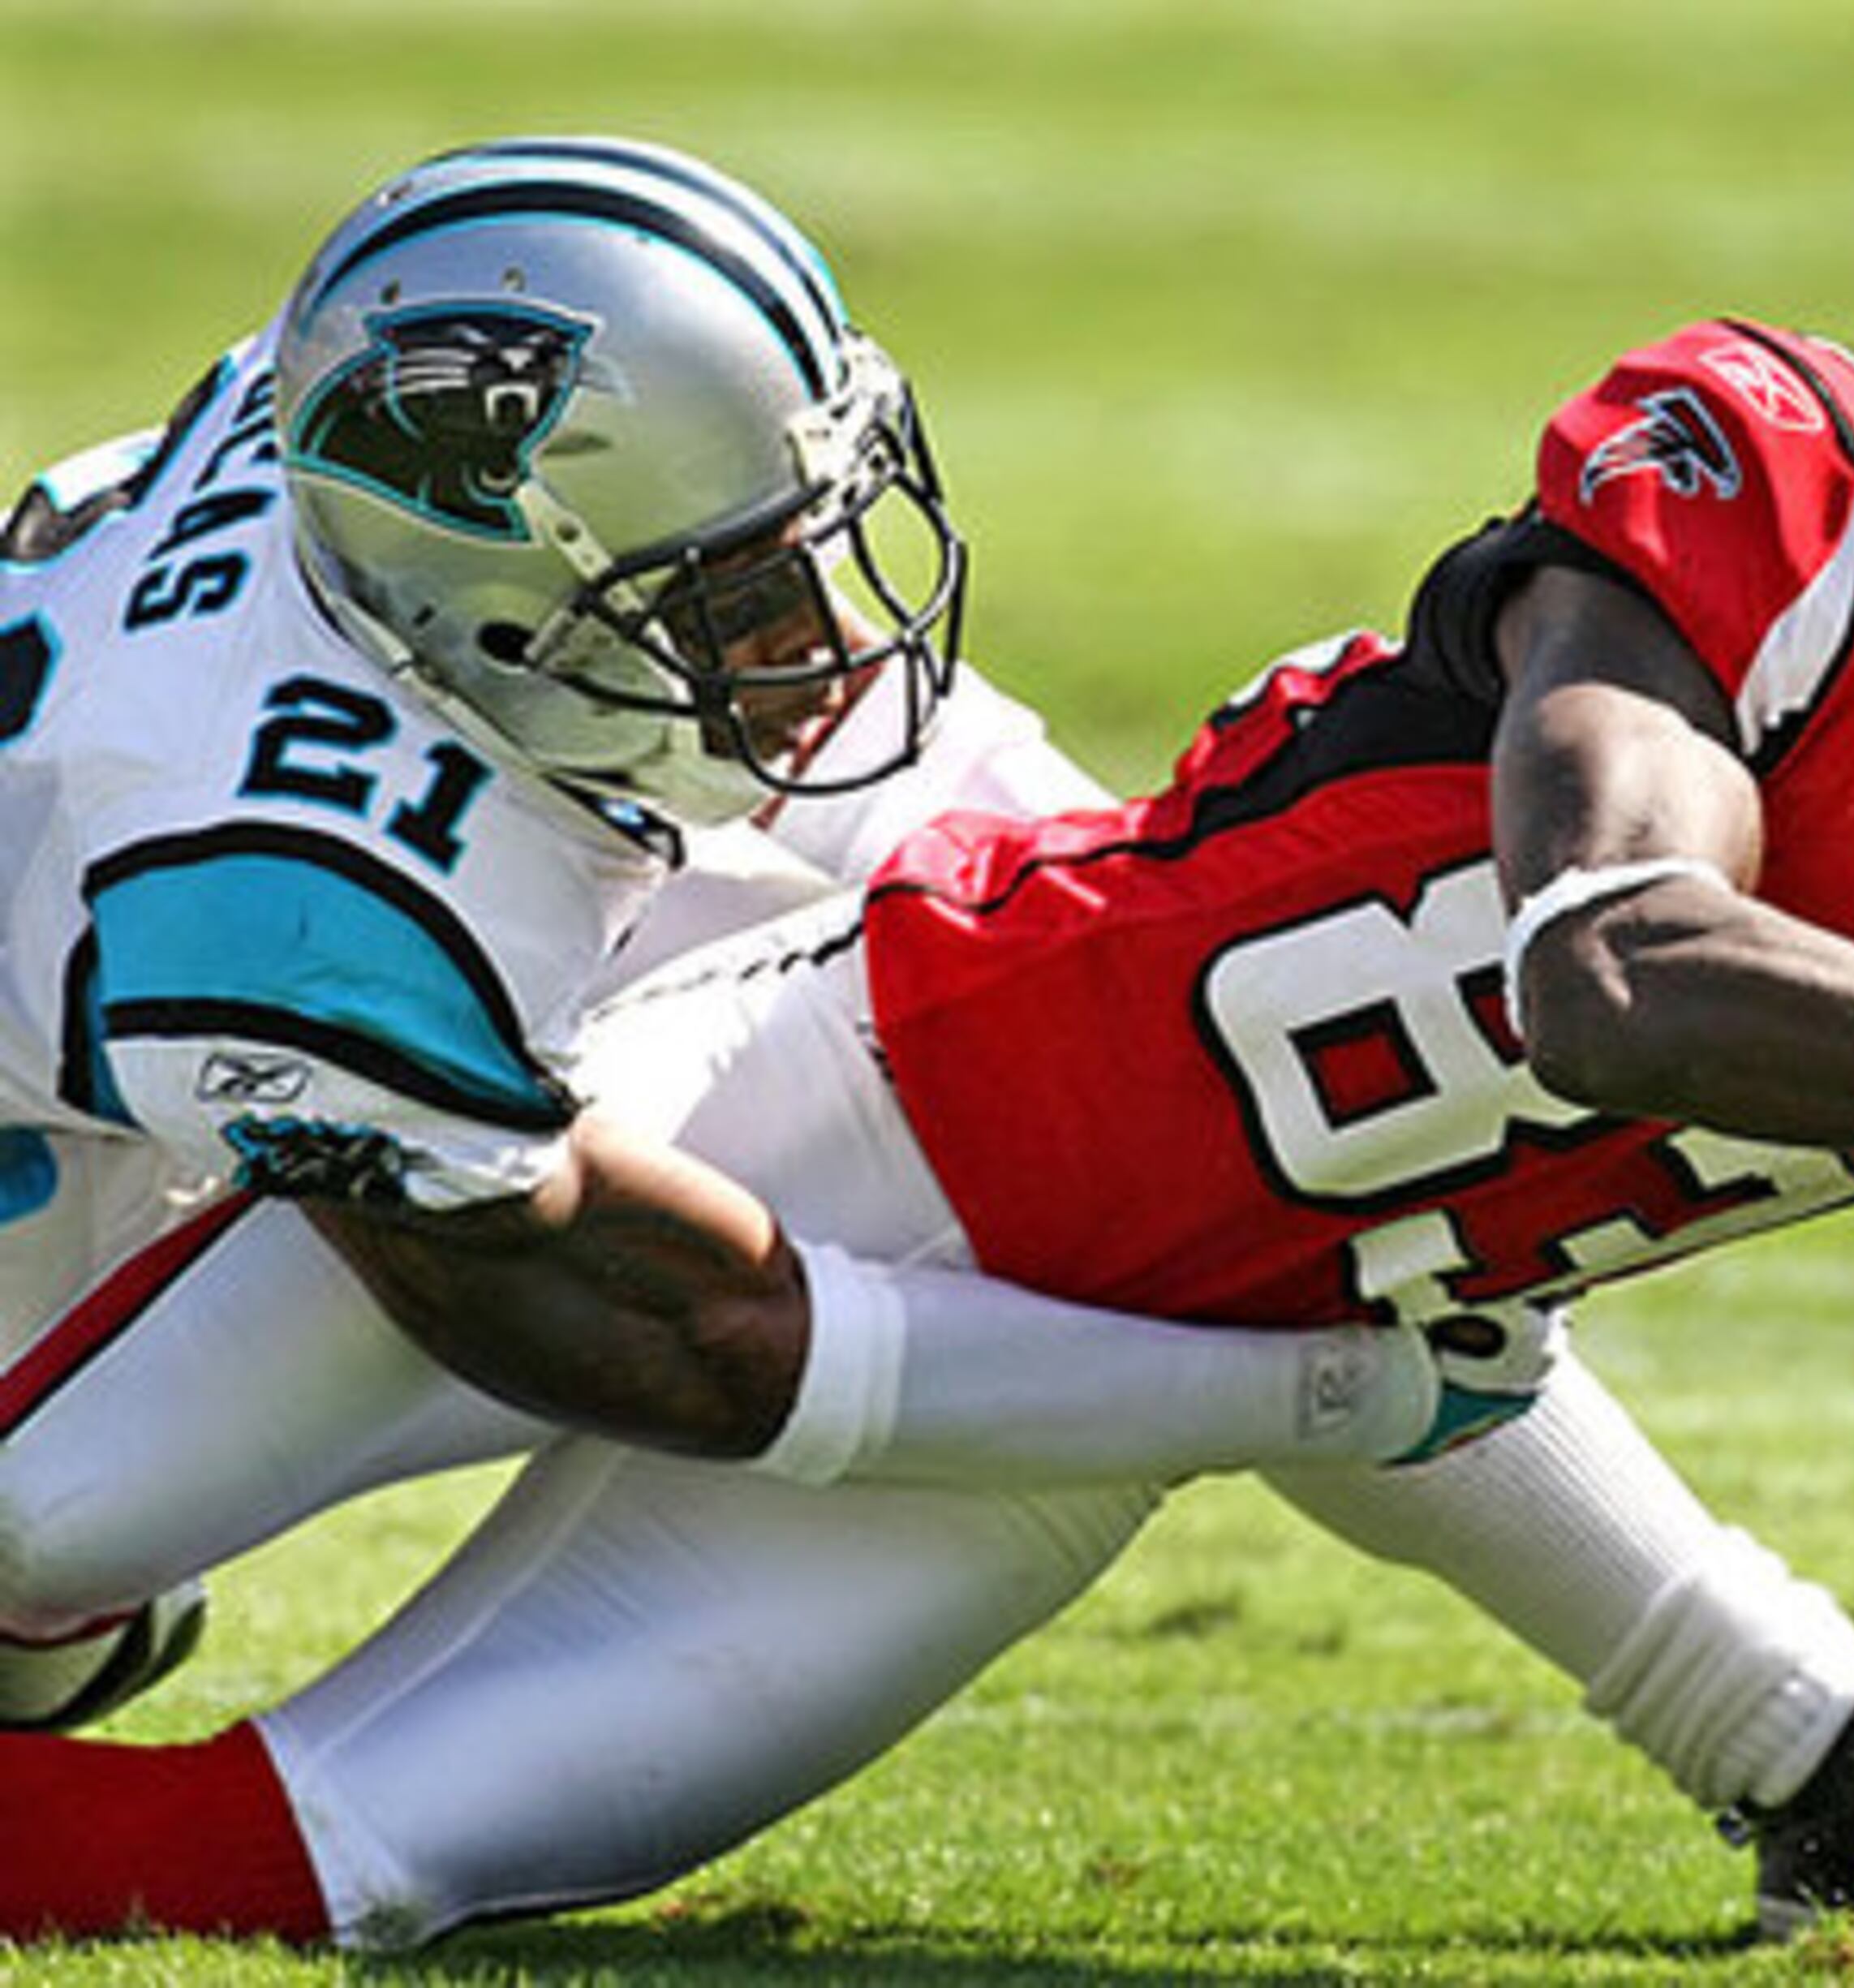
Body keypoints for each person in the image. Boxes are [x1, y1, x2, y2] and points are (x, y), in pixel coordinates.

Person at [0, 107, 1854, 1951]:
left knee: (306, 1874)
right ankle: (1827, 1743)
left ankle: (1832, 1767)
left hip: (1116, 1407)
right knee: (54, 1511)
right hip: (831, 1084)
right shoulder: (1794, 514)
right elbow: (1617, 977)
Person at [0, 133, 1513, 1723]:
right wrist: (1314, 1397)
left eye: (807, 538)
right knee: (47, 1547)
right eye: (736, 595)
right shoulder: (298, 902)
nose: (826, 632)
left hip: (262, 897)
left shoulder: (403, 471)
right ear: (504, 610)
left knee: (1179, 1057)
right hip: (139, 1047)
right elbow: (701, 1337)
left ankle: (1778, 1714)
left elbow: (1130, 970)